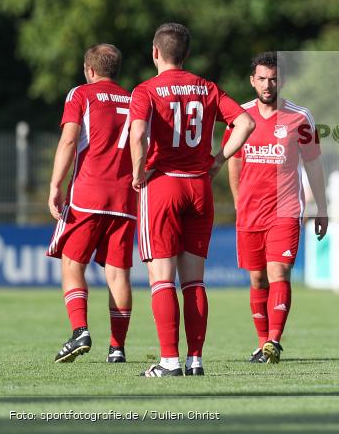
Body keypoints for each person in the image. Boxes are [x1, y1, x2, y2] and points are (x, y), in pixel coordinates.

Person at [129, 23, 255, 377]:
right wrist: (217, 161)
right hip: (199, 188)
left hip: (164, 186)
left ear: (156, 53)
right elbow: (245, 123)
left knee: (161, 279)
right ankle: (195, 359)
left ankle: (169, 361)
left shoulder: (146, 90)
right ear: (186, 54)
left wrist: (138, 171)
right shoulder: (207, 87)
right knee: (194, 281)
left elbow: (138, 133)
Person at [226, 52, 328, 364]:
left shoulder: (300, 117)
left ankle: (273, 342)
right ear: (252, 81)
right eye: (262, 78)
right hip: (250, 212)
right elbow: (234, 163)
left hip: (285, 210)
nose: (268, 84)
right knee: (258, 279)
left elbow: (313, 165)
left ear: (281, 80)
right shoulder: (240, 117)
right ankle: (261, 343)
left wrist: (322, 208)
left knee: (278, 271)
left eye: (273, 78)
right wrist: (237, 203)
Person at [47, 44, 137, 364]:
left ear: (89, 70)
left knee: (72, 264)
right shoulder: (135, 98)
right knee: (119, 274)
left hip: (88, 194)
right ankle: (117, 348)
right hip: (127, 198)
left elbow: (70, 140)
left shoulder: (81, 94)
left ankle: (80, 331)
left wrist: (55, 184)